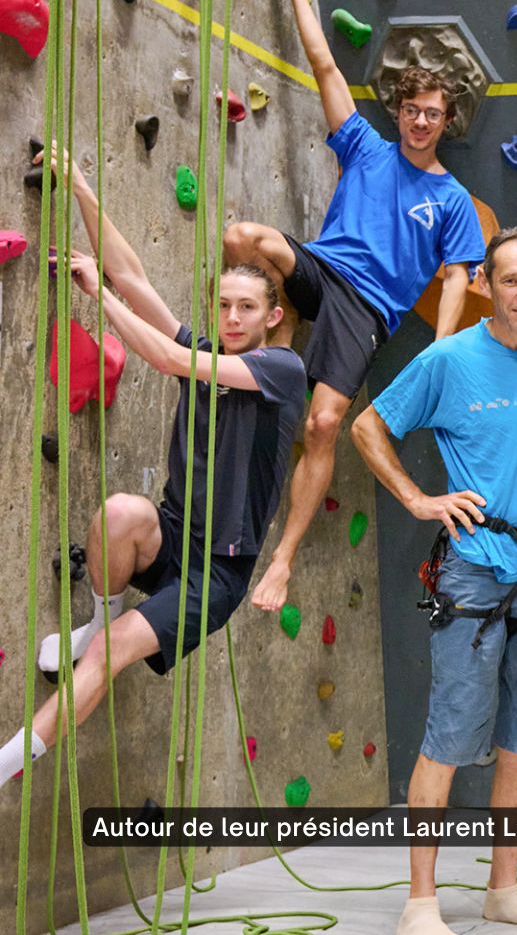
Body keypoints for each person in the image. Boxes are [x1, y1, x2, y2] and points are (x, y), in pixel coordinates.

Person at [2, 149, 305, 787]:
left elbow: (167, 358)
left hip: (216, 573)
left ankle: (6, 764)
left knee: (108, 656)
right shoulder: (209, 349)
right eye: (225, 305)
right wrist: (80, 187)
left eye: (247, 308)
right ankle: (102, 616)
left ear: (273, 317)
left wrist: (100, 299)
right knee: (119, 513)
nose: (232, 318)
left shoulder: (281, 370)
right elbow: (133, 276)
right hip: (171, 533)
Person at [350, 226, 517, 935]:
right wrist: (417, 499)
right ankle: (421, 903)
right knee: (449, 734)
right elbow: (369, 428)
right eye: (510, 280)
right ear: (486, 285)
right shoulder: (449, 360)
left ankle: (503, 892)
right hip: (472, 572)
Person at [223, 0, 487, 610]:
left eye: (433, 114)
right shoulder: (367, 147)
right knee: (242, 238)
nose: (421, 121)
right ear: (398, 111)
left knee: (322, 425)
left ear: (445, 121)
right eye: (412, 110)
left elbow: (458, 278)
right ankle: (269, 356)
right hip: (321, 269)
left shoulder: (452, 199)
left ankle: (282, 559)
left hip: (365, 310)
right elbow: (323, 66)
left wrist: (442, 347)